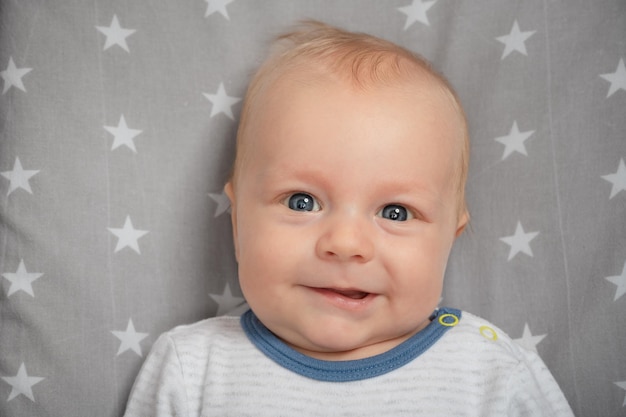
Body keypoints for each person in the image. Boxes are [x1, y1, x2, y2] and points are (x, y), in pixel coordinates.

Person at [124, 21, 574, 416]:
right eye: (301, 202)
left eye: (395, 212)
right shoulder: (192, 368)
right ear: (237, 219)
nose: (344, 241)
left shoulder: (492, 371)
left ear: (449, 239)